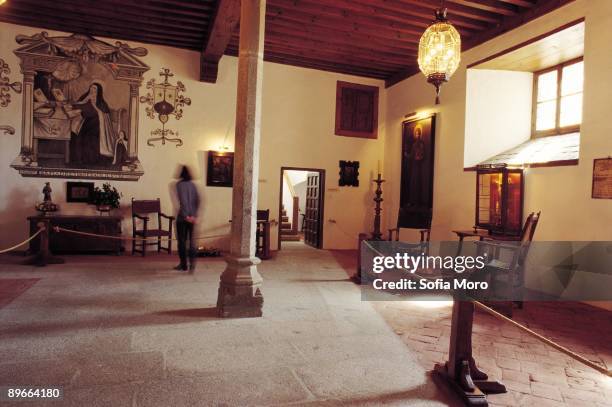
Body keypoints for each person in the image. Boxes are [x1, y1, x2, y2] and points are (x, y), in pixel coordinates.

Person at [175, 166, 200, 272]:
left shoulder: (179, 185)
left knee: (182, 241)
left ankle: (183, 265)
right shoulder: (193, 185)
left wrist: (186, 216)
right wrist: (194, 216)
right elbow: (198, 200)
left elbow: (183, 201)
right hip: (192, 218)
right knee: (192, 242)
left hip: (183, 218)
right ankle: (192, 265)